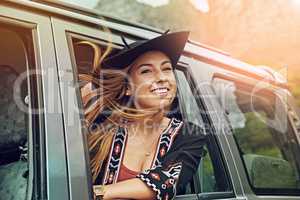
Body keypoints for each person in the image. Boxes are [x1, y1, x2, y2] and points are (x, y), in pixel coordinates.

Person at [80, 31, 207, 200]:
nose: (162, 78)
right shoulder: (102, 129)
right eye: (146, 71)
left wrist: (97, 193)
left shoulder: (190, 135)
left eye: (167, 69)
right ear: (127, 88)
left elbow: (166, 183)